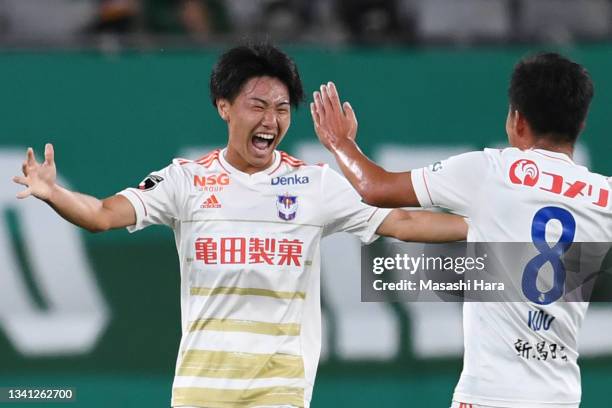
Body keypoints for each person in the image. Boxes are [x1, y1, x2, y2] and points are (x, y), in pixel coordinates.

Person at [13, 43, 466, 408]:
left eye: (283, 109)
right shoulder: (184, 181)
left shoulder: (314, 185)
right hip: (199, 389)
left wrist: (484, 225)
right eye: (258, 106)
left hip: (280, 387)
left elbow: (403, 221)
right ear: (224, 107)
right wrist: (54, 193)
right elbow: (101, 215)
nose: (271, 121)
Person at [310, 52, 612, 408]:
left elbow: (376, 188)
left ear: (517, 120)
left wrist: (340, 143)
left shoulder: (491, 172)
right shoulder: (604, 196)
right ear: (581, 123)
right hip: (560, 396)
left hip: (489, 394)